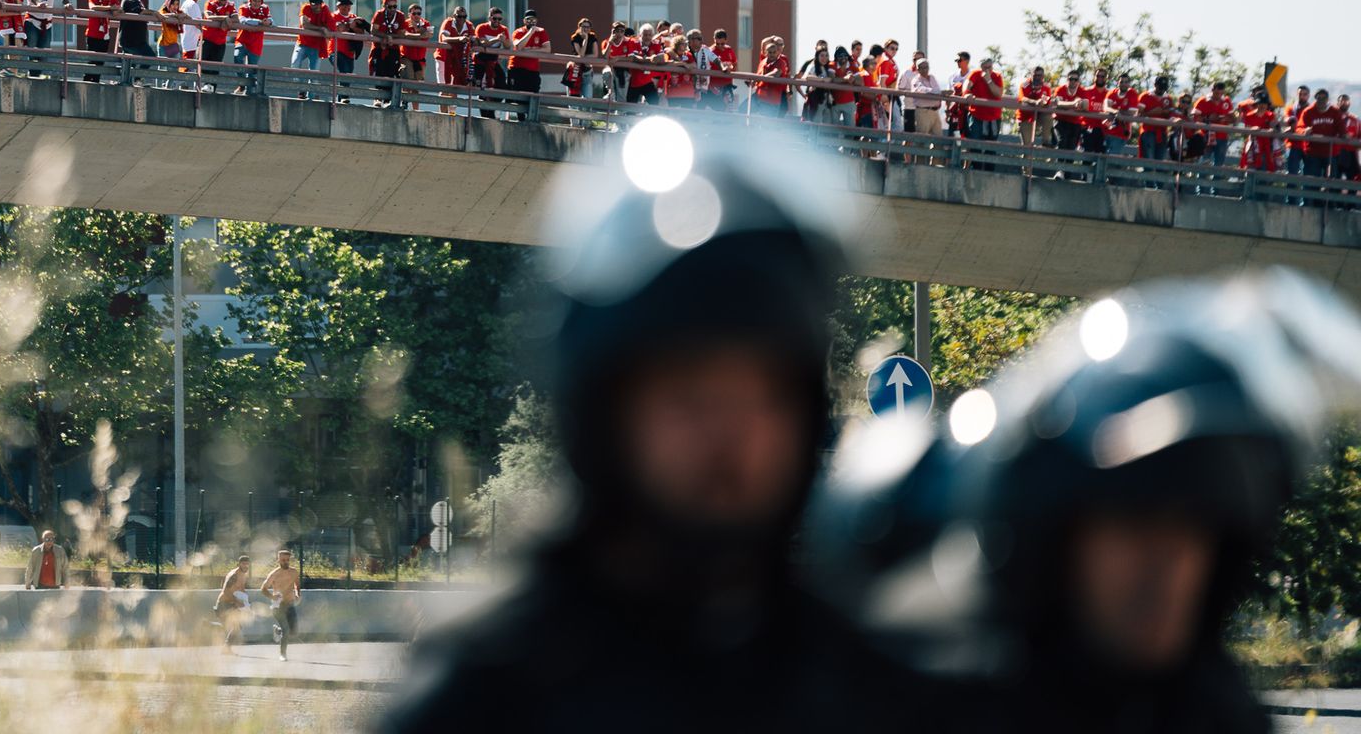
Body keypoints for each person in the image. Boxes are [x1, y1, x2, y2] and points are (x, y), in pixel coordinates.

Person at [385, 129, 924, 732]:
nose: (731, 431)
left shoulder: (868, 686)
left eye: (766, 394)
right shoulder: (489, 694)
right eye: (688, 391)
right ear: (602, 408)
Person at [810, 272, 1361, 734]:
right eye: (1134, 523)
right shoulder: (935, 694)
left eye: (1191, 531)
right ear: (1060, 532)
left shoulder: (1211, 714)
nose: (1165, 566)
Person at [260, 548, 301, 661]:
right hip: (278, 606)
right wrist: (272, 597)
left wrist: (297, 594)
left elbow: (297, 584)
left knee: (294, 632)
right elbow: (263, 589)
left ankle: (278, 630)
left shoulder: (294, 572)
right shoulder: (274, 574)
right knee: (286, 630)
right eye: (283, 560)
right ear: (278, 560)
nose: (285, 562)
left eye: (287, 560)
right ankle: (283, 654)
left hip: (290, 604)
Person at [470, 7, 511, 114]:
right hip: (480, 61)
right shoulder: (481, 27)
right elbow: (483, 44)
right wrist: (497, 39)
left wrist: (504, 40)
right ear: (489, 18)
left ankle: (492, 106)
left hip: (493, 61)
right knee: (482, 89)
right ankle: (484, 112)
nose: (497, 21)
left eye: (499, 19)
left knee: (502, 84)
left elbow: (508, 46)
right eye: (494, 19)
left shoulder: (503, 29)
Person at [506, 9, 549, 104]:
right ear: (524, 21)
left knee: (533, 95)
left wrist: (530, 50)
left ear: (536, 20)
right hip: (517, 68)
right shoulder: (518, 31)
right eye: (528, 19)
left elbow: (547, 49)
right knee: (516, 97)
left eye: (533, 19)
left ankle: (529, 118)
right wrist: (530, 32)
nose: (531, 22)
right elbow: (519, 46)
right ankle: (519, 118)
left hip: (532, 69)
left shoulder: (541, 31)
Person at [235, 0, 272, 92]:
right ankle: (242, 82)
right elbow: (243, 20)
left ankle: (248, 94)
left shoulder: (265, 9)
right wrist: (259, 22)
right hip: (242, 39)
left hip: (256, 43)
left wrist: (268, 22)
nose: (256, 3)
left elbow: (270, 20)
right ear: (250, 0)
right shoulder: (244, 7)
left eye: (259, 1)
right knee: (237, 59)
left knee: (252, 70)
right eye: (254, 0)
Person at [214, 555, 252, 654]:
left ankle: (226, 648)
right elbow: (225, 590)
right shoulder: (234, 574)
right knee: (234, 626)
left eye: (247, 564)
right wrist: (236, 602)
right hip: (224, 604)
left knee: (233, 626)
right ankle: (226, 648)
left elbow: (241, 588)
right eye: (243, 564)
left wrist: (246, 601)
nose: (246, 566)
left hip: (231, 604)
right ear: (239, 564)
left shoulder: (243, 574)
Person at [83, 0, 118, 80]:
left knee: (100, 62)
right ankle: (87, 82)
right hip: (92, 35)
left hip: (105, 36)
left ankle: (96, 82)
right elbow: (92, 7)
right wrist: (109, 8)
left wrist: (114, 9)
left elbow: (117, 11)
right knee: (91, 62)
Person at [118, 0, 155, 71]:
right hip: (133, 41)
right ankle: (137, 78)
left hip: (133, 40)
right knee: (150, 56)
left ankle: (131, 81)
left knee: (130, 66)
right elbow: (140, 11)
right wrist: (156, 13)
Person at [437, 5, 474, 96]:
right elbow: (444, 38)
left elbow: (474, 39)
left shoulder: (469, 25)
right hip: (443, 57)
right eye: (459, 16)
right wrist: (459, 39)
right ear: (454, 16)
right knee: (444, 88)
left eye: (464, 16)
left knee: (455, 88)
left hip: (458, 59)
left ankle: (452, 111)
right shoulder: (448, 22)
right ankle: (443, 111)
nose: (462, 19)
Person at [201, 0, 236, 74]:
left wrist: (225, 20)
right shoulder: (210, 3)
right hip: (207, 40)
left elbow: (236, 19)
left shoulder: (230, 5)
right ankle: (201, 87)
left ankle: (211, 87)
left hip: (220, 42)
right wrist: (225, 18)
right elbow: (209, 16)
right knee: (202, 66)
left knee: (215, 69)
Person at [753, 35, 791, 115]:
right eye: (777, 44)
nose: (779, 46)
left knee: (781, 114)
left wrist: (789, 90)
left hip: (779, 91)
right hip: (763, 91)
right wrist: (772, 38)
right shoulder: (767, 56)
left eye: (781, 45)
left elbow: (785, 74)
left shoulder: (783, 60)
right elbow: (763, 43)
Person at [294, 0, 332, 73]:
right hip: (302, 43)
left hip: (316, 46)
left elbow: (331, 28)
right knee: (295, 65)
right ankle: (294, 85)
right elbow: (304, 24)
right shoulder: (306, 7)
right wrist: (321, 28)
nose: (318, 6)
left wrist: (326, 29)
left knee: (314, 73)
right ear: (310, 4)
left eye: (320, 4)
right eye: (315, 4)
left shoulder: (325, 9)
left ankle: (312, 85)